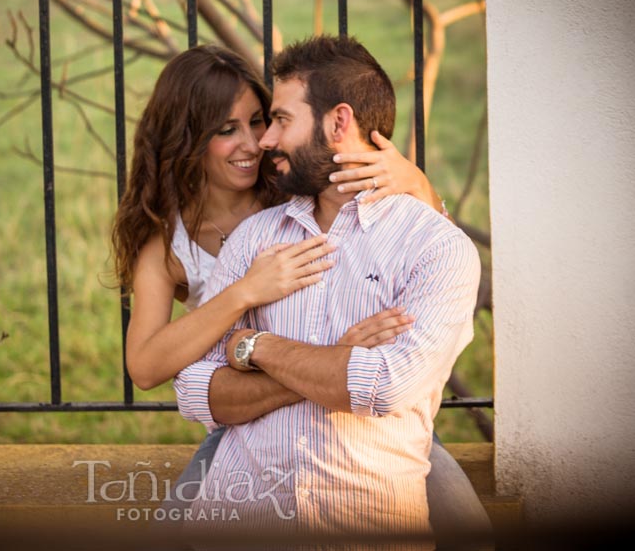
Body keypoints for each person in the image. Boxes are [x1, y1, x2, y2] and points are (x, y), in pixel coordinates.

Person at [111, 43, 490, 547]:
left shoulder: (288, 188)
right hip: (248, 422)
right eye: (227, 130)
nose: (256, 142)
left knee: (468, 527)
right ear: (188, 140)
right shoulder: (176, 239)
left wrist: (414, 181)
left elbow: (414, 243)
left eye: (262, 121)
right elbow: (152, 369)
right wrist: (247, 293)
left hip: (369, 434)